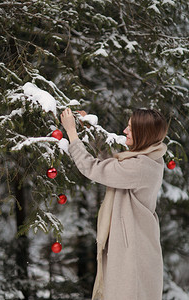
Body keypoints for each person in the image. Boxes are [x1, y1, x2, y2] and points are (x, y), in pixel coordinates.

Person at [60, 107, 168, 300]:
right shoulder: (148, 158)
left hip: (132, 253)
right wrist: (90, 127)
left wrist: (71, 133)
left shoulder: (140, 167)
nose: (125, 131)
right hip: (135, 246)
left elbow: (93, 167)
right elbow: (111, 162)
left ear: (143, 135)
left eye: (130, 129)